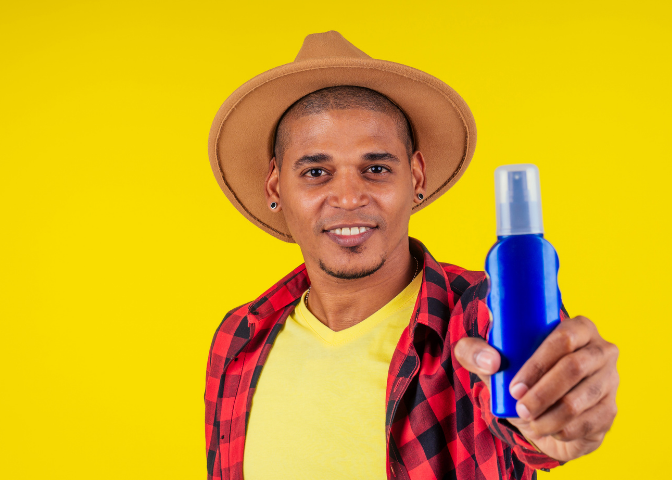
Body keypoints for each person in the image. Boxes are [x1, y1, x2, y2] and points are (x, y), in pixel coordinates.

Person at [204, 31, 619, 480]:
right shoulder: (239, 338)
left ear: (416, 177)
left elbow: (536, 407)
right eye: (317, 172)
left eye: (376, 168)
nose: (347, 197)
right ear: (275, 187)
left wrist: (557, 419)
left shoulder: (481, 313)